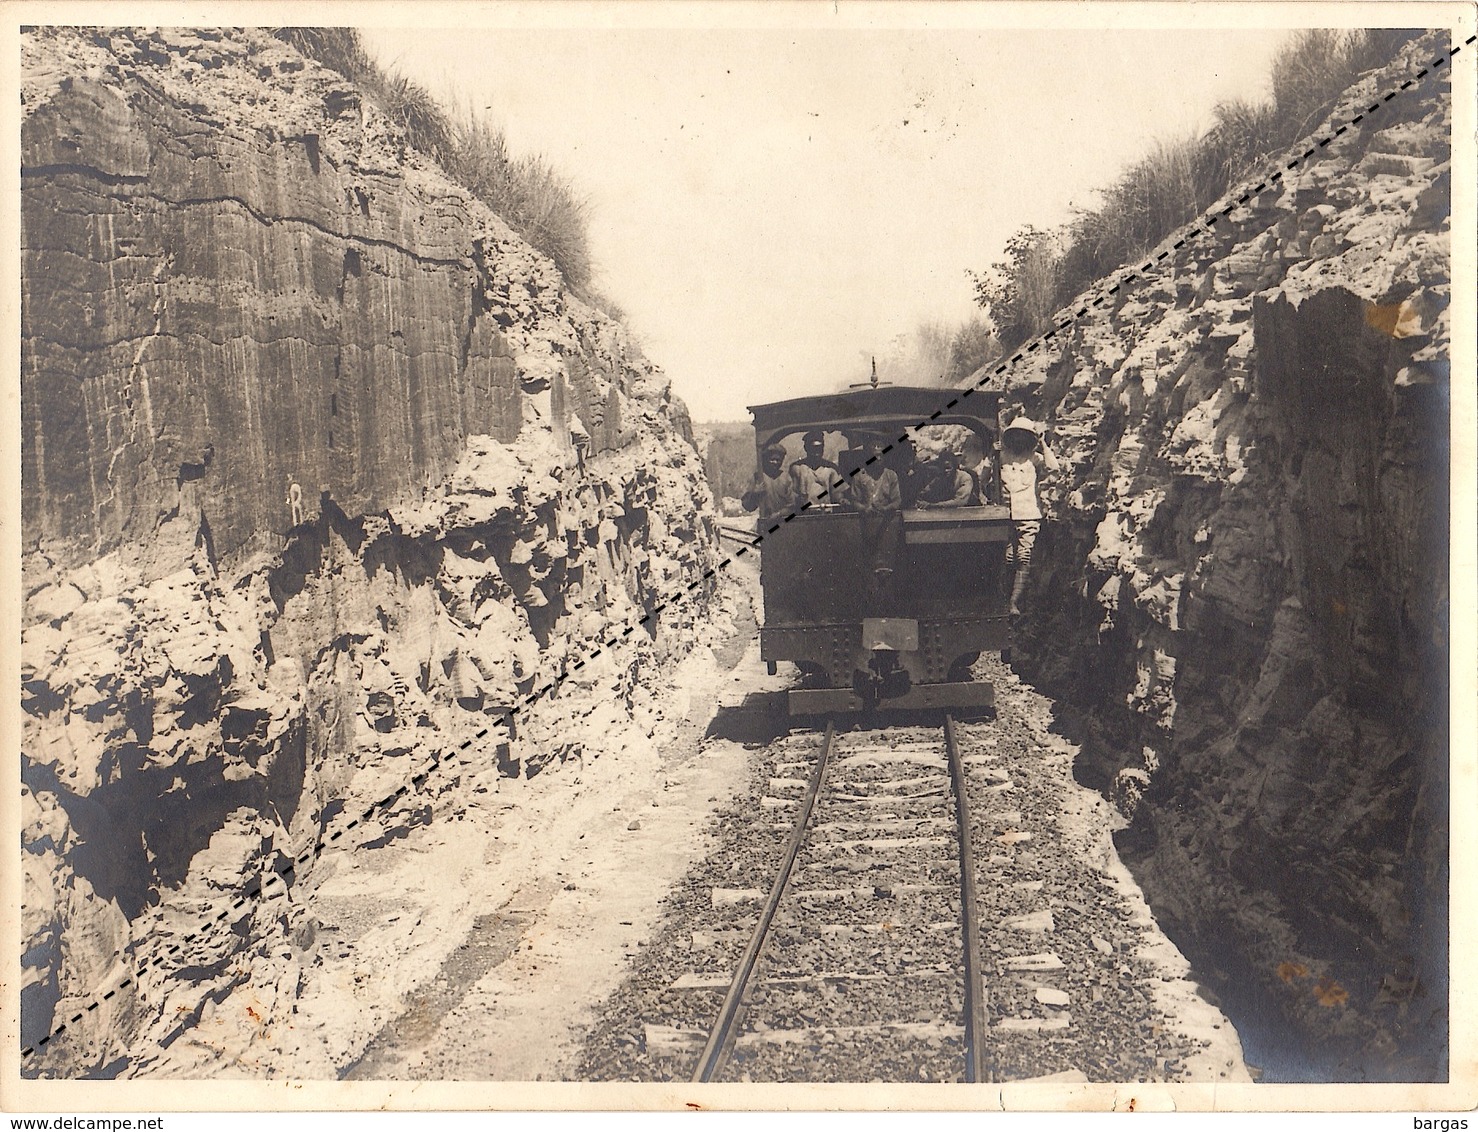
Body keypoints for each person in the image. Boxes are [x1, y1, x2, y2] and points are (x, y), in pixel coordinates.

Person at [999, 416, 1060, 616]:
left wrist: (1043, 443)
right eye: (1015, 436)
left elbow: (1054, 468)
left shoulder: (1034, 458)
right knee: (1007, 558)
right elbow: (981, 475)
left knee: (1023, 557)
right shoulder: (1002, 457)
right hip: (1005, 515)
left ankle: (1013, 602)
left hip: (1028, 515)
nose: (1018, 440)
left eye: (1022, 436)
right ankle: (1002, 599)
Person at [846, 434, 903, 596]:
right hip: (865, 525)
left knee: (887, 565)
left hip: (887, 526)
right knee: (867, 564)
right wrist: (864, 508)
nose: (877, 459)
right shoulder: (859, 476)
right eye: (874, 456)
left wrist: (886, 509)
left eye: (880, 455)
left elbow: (897, 501)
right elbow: (854, 500)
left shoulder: (891, 475)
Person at [789, 429, 845, 508]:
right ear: (806, 448)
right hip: (805, 514)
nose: (817, 451)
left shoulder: (831, 468)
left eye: (820, 447)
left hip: (826, 511)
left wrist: (841, 499)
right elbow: (793, 493)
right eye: (813, 448)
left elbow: (837, 491)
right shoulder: (797, 468)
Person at [741, 444, 793, 528]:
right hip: (766, 525)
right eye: (772, 459)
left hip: (785, 524)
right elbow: (747, 506)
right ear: (766, 459)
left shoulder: (786, 478)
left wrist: (778, 515)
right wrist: (754, 494)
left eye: (778, 460)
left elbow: (793, 505)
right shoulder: (759, 477)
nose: (775, 462)